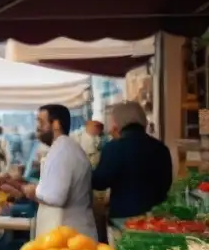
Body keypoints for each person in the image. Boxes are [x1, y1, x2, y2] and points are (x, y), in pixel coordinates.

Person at [18, 104, 98, 240]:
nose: (37, 127)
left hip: (67, 237)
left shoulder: (62, 151)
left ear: (56, 124)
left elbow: (56, 197)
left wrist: (33, 191)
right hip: (71, 234)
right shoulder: (63, 147)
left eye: (41, 122)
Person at [92, 102, 173, 232]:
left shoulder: (114, 148)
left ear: (117, 123)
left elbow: (100, 182)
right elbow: (166, 184)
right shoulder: (161, 148)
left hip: (124, 220)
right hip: (156, 219)